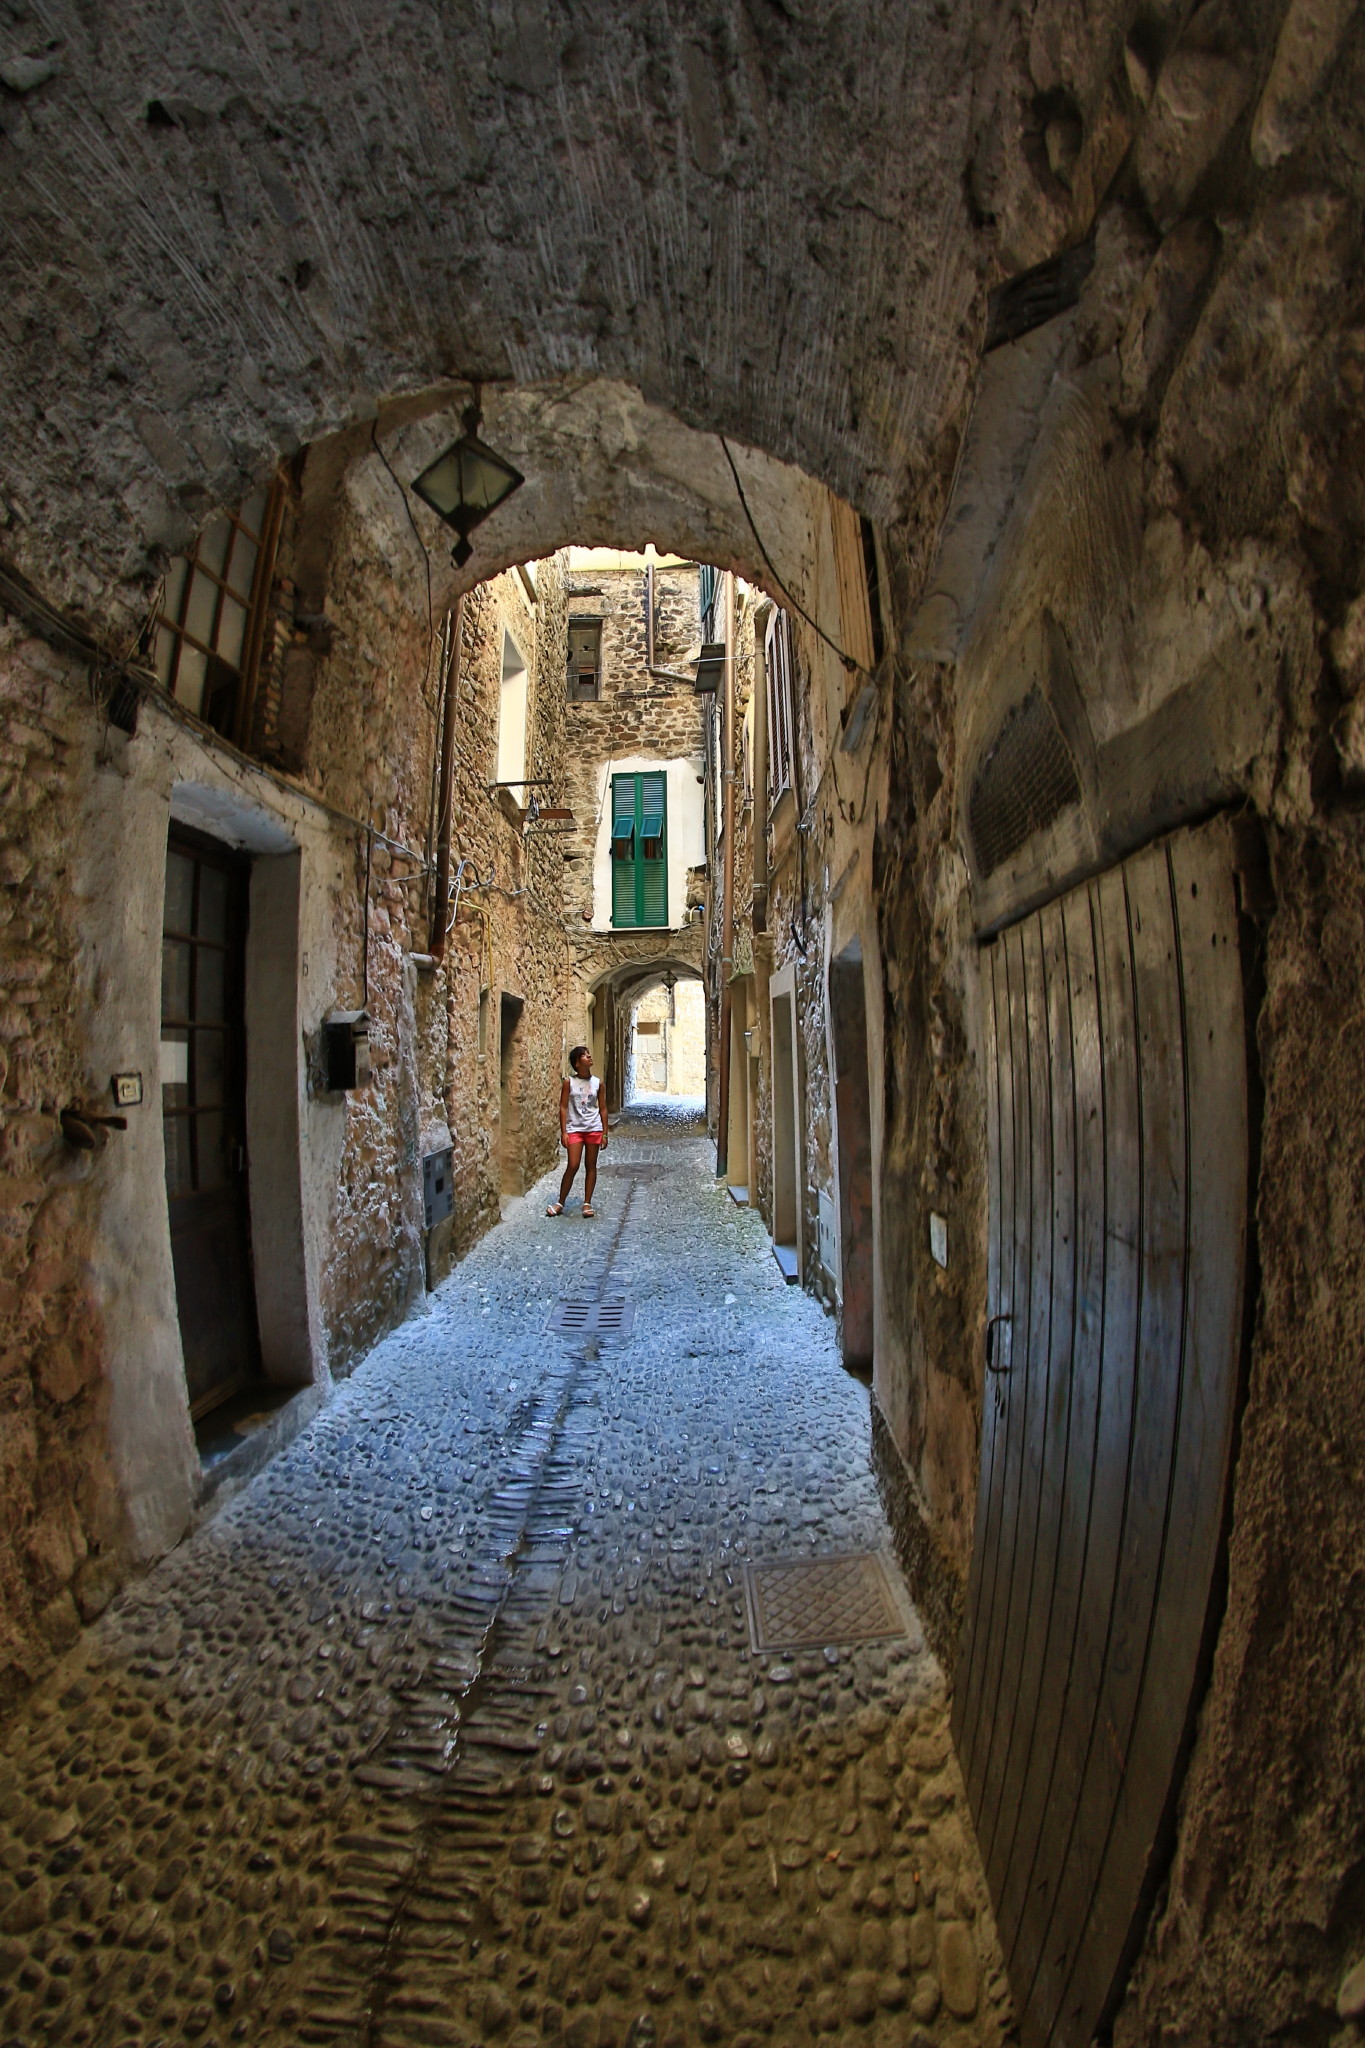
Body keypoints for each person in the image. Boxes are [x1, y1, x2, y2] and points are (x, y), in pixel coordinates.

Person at [548, 1045, 607, 1217]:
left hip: (593, 1128)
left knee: (591, 1165)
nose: (589, 1056)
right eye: (584, 1055)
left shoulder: (598, 1083)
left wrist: (605, 1133)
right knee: (573, 1165)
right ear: (576, 1062)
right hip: (575, 1129)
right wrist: (564, 1132)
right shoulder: (569, 1082)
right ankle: (560, 1202)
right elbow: (563, 1107)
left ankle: (587, 1203)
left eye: (588, 1054)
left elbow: (602, 1109)